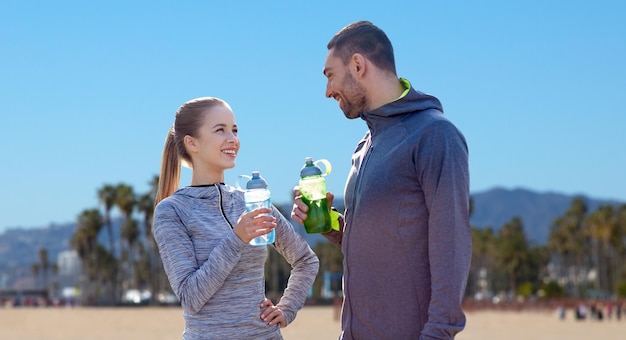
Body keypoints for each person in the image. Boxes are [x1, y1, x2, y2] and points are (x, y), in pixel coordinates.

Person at [291, 21, 471, 339]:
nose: (327, 91)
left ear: (358, 65)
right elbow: (384, 243)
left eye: (330, 75)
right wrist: (331, 226)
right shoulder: (365, 145)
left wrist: (439, 333)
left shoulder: (435, 135)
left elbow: (452, 245)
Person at [153, 97, 319, 339]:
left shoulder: (252, 201)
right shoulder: (173, 211)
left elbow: (306, 260)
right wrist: (237, 238)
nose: (233, 139)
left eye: (235, 130)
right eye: (220, 130)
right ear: (192, 143)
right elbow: (191, 297)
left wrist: (287, 308)